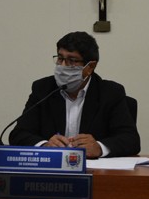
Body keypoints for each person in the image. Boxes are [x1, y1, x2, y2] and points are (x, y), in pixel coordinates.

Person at [8, 31, 139, 158]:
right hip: (52, 166)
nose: (63, 66)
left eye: (72, 60)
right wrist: (44, 145)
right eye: (60, 58)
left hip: (95, 169)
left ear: (90, 67)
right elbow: (18, 134)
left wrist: (99, 148)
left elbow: (131, 139)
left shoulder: (110, 93)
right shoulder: (43, 89)